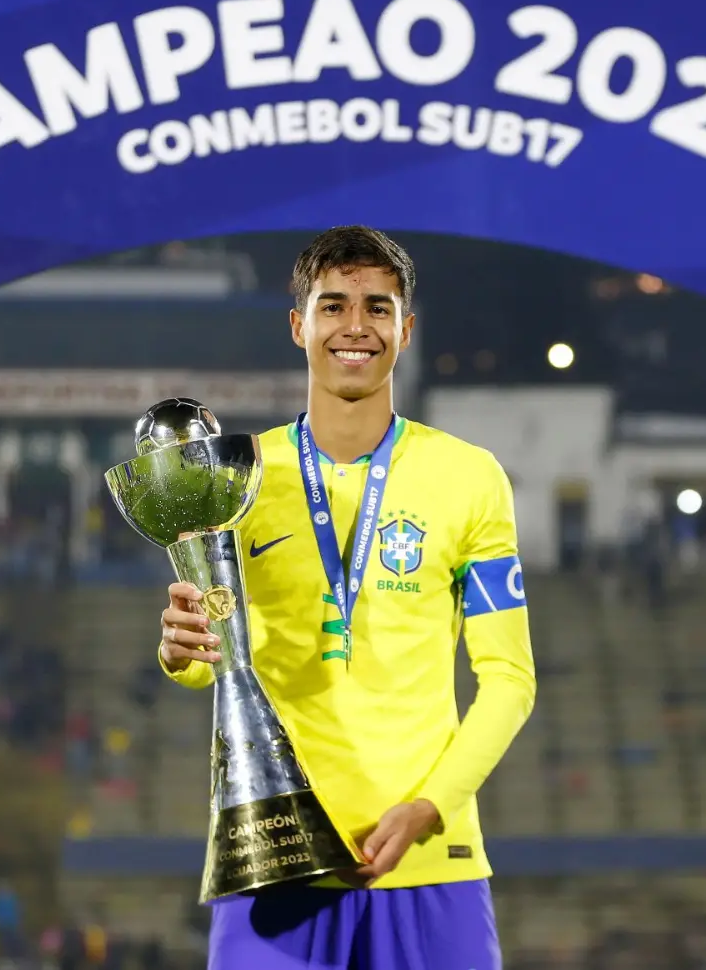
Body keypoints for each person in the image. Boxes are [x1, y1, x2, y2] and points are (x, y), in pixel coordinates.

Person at [158, 226, 537, 969]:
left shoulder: (470, 478)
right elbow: (212, 666)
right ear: (299, 326)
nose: (355, 326)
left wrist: (430, 808)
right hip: (275, 852)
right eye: (333, 306)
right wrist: (181, 649)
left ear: (406, 329)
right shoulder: (237, 476)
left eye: (377, 307)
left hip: (431, 861)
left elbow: (509, 679)